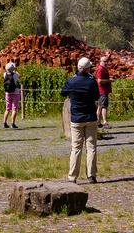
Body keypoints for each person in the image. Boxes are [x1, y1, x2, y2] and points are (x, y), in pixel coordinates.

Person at [60, 56, 101, 184]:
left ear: (78, 68)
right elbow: (97, 96)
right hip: (90, 118)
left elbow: (63, 93)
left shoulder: (71, 81)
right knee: (91, 148)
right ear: (88, 69)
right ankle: (91, 175)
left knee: (76, 148)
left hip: (76, 118)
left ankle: (72, 177)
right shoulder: (92, 82)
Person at [2, 60, 22, 128]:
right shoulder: (15, 75)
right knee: (14, 109)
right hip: (15, 93)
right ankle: (12, 124)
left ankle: (4, 123)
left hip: (7, 93)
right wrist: (16, 69)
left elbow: (6, 72)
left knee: (7, 109)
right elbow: (19, 76)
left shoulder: (4, 74)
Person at [94, 55, 112, 129]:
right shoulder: (100, 69)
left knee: (100, 106)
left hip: (104, 90)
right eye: (105, 61)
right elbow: (100, 81)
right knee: (104, 106)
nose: (106, 63)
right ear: (101, 61)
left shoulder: (104, 68)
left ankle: (98, 122)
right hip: (102, 90)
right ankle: (105, 123)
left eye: (107, 61)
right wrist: (109, 80)